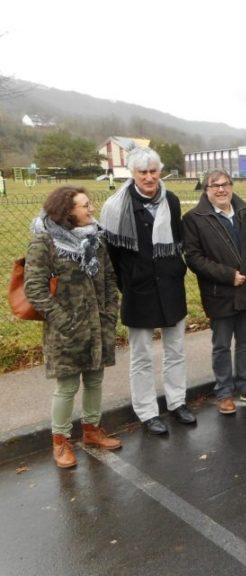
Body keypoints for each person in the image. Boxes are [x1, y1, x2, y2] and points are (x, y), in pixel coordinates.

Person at [100, 146, 195, 435]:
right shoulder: (116, 206)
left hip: (170, 285)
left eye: (153, 171)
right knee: (141, 355)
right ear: (132, 173)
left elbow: (176, 241)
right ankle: (146, 411)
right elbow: (111, 255)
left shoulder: (172, 201)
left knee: (175, 350)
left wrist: (175, 269)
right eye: (143, 172)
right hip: (138, 290)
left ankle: (177, 402)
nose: (149, 177)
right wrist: (127, 282)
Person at [24, 186, 121, 468]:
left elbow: (110, 279)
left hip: (97, 324)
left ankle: (92, 430)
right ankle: (61, 441)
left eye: (90, 205)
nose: (91, 209)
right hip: (65, 329)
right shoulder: (45, 242)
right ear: (67, 211)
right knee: (66, 387)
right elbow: (35, 288)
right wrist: (62, 320)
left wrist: (109, 312)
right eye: (85, 206)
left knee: (94, 380)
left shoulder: (95, 240)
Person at [183, 169, 246, 415]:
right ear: (206, 190)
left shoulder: (245, 213)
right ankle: (224, 392)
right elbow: (194, 258)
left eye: (225, 184)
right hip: (219, 293)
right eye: (215, 186)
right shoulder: (195, 218)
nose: (221, 190)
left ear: (231, 186)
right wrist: (228, 276)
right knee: (221, 345)